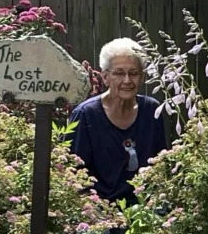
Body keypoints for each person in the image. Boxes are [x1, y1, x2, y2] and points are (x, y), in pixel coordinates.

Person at [65, 37, 167, 234]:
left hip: (144, 209)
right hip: (99, 213)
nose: (127, 80)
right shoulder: (86, 115)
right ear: (105, 77)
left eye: (134, 73)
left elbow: (161, 166)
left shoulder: (152, 110)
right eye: (119, 73)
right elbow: (74, 178)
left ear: (142, 77)